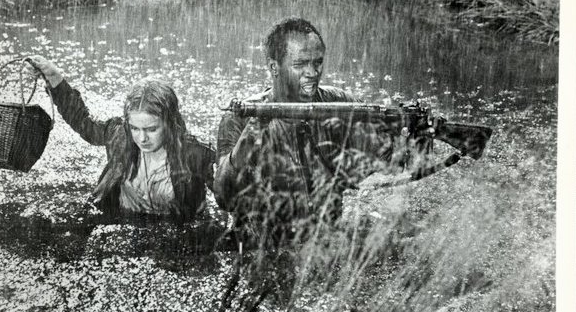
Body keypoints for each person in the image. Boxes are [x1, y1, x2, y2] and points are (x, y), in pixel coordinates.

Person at [213, 18, 394, 248]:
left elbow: (384, 165)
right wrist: (255, 129)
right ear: (274, 67)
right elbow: (224, 196)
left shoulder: (340, 105)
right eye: (300, 64)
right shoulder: (240, 118)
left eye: (318, 62)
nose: (313, 73)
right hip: (262, 248)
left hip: (325, 244)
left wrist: (400, 138)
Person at [27, 55, 216, 223]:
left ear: (169, 123)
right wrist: (54, 78)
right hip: (122, 220)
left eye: (151, 129)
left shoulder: (196, 154)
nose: (142, 138)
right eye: (135, 128)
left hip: (176, 229)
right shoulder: (119, 135)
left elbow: (227, 196)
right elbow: (83, 122)